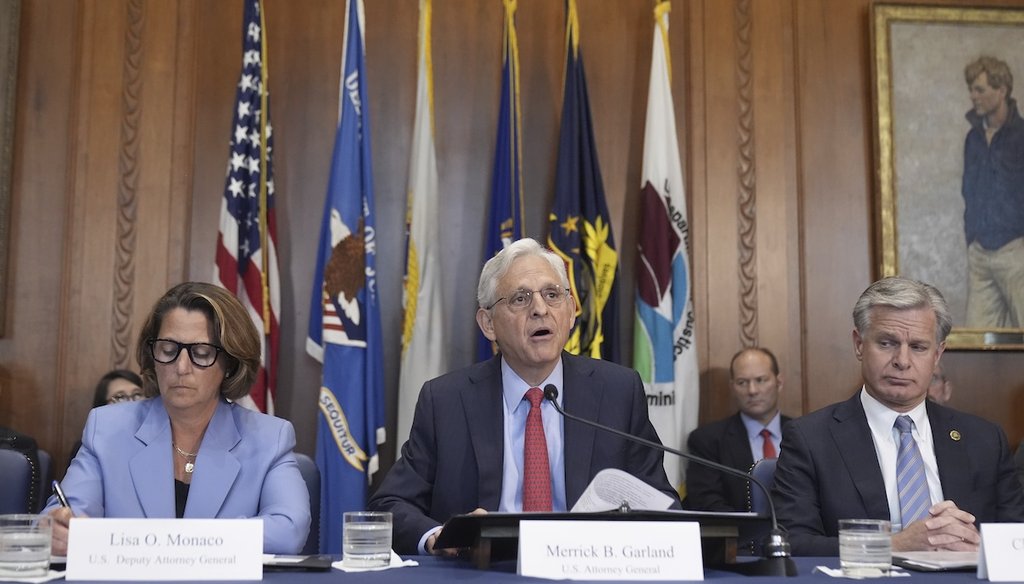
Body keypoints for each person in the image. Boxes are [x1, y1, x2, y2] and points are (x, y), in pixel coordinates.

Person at [367, 238, 678, 555]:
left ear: (570, 312)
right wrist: (438, 536)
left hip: (586, 568)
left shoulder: (618, 392)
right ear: (488, 324)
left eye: (552, 295)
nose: (540, 309)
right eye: (520, 299)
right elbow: (389, 504)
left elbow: (662, 505)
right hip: (483, 573)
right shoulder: (446, 400)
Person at [43, 282, 310, 555]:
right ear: (153, 355)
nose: (181, 368)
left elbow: (289, 530)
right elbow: (65, 512)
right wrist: (58, 528)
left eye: (202, 353)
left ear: (230, 363)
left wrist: (177, 541)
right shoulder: (108, 429)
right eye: (168, 350)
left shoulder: (269, 438)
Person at [773, 276, 1024, 556]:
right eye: (887, 343)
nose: (902, 361)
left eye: (918, 347)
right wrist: (894, 545)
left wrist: (980, 546)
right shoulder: (811, 439)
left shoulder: (985, 440)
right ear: (859, 344)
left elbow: (1017, 535)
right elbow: (791, 542)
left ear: (938, 354)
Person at [683, 347, 789, 511]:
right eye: (742, 383)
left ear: (779, 383)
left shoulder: (805, 434)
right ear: (732, 387)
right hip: (740, 534)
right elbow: (707, 503)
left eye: (760, 380)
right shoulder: (708, 440)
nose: (752, 390)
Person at [961, 56, 1024, 328]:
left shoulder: (1022, 136)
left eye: (980, 89)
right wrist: (971, 237)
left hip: (1015, 251)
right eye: (971, 89)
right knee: (978, 339)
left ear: (1002, 90)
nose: (973, 96)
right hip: (979, 253)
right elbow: (968, 191)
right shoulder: (973, 139)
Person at [67, 370, 146, 468]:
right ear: (102, 406)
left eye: (137, 394)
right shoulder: (88, 448)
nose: (131, 402)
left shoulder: (156, 442)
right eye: (120, 397)